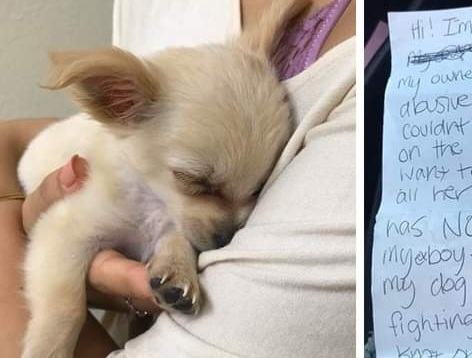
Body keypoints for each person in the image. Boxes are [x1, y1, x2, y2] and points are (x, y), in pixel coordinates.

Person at [0, 0, 355, 356]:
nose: (231, 223)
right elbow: (60, 234)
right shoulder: (118, 166)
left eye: (256, 190)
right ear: (118, 102)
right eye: (197, 182)